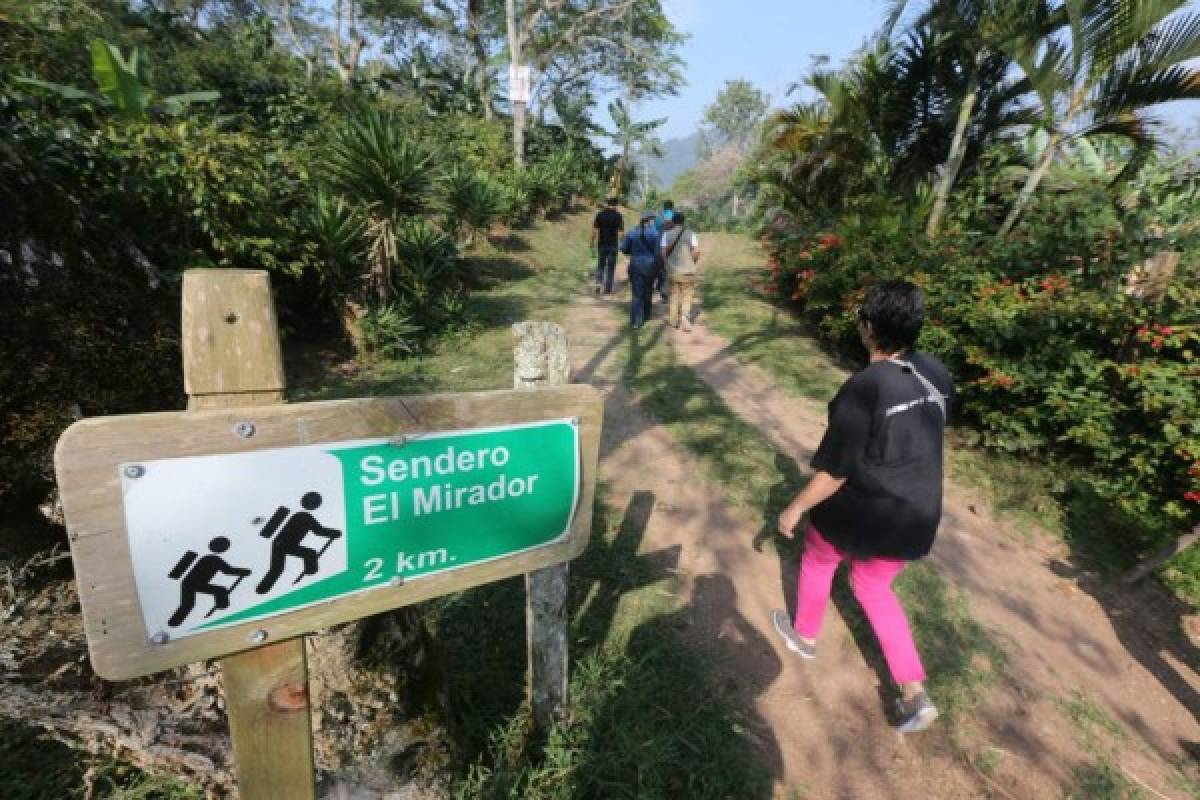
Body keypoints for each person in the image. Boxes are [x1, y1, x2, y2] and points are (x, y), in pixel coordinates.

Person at [769, 279, 954, 734]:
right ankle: (914, 694)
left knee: (817, 554)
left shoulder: (865, 387)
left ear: (868, 328)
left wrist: (793, 509)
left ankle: (805, 636)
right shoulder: (937, 373)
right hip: (917, 515)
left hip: (865, 508)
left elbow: (835, 471)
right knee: (873, 589)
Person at [619, 209, 661, 329]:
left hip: (635, 266)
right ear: (650, 220)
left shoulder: (632, 233)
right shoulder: (655, 234)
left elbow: (624, 249)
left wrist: (634, 251)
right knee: (648, 291)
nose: (654, 221)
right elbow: (658, 253)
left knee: (637, 294)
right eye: (653, 219)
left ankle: (636, 321)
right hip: (650, 266)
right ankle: (646, 315)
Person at [659, 212, 702, 331]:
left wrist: (667, 264)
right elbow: (697, 251)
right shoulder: (691, 234)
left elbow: (663, 253)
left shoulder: (666, 235)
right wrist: (692, 261)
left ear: (672, 222)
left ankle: (673, 320)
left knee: (674, 295)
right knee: (687, 295)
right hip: (688, 271)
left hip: (673, 271)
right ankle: (684, 316)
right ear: (683, 222)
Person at [590, 197, 625, 294]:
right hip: (613, 246)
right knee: (610, 267)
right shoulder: (618, 216)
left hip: (602, 245)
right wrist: (623, 244)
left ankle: (598, 284)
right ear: (616, 205)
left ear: (608, 204)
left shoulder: (600, 215)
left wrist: (591, 244)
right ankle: (608, 288)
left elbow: (594, 231)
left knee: (600, 265)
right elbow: (621, 233)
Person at [654, 199, 675, 301]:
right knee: (668, 268)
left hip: (659, 244)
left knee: (661, 266)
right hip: (671, 244)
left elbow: (655, 229)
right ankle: (664, 292)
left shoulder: (658, 216)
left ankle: (661, 287)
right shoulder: (674, 215)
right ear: (672, 207)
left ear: (664, 206)